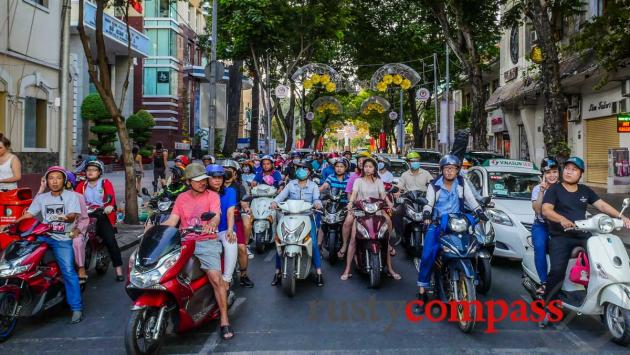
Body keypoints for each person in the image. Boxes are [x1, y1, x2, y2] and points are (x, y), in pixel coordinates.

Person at [540, 157, 630, 326]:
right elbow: (546, 210)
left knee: (603, 259)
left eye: (574, 169)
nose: (568, 171)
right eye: (567, 168)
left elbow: (602, 205)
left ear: (580, 174)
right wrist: (562, 219)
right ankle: (548, 306)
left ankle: (598, 293)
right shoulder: (555, 190)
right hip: (562, 236)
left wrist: (622, 217)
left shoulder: (585, 191)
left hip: (583, 234)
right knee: (557, 271)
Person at [162, 163, 234, 340]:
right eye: (197, 180)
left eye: (204, 179)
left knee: (216, 279)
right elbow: (173, 220)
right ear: (188, 181)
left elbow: (216, 215)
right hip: (184, 243)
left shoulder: (213, 196)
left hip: (207, 242)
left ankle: (224, 320)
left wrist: (211, 224)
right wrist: (155, 229)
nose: (202, 183)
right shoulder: (181, 199)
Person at [7, 166, 83, 323]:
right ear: (47, 181)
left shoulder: (72, 196)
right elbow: (29, 213)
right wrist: (13, 223)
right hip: (43, 236)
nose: (55, 181)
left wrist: (64, 218)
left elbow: (72, 215)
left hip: (62, 238)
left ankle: (76, 308)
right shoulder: (42, 198)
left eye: (58, 178)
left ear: (64, 180)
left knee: (68, 271)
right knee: (23, 259)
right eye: (51, 178)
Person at [415, 155, 486, 310]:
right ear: (442, 170)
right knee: (428, 255)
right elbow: (429, 204)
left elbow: (471, 201)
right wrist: (427, 215)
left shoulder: (461, 183)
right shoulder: (434, 185)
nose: (449, 171)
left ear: (457, 171)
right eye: (446, 168)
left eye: (452, 168)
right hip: (438, 224)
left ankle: (471, 280)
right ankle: (421, 294)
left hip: (457, 223)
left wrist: (480, 212)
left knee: (474, 247)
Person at [341, 158, 399, 281]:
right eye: (366, 166)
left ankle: (390, 266)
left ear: (374, 169)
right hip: (360, 210)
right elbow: (354, 194)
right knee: (352, 238)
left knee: (388, 221)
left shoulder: (378, 181)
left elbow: (383, 195)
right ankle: (347, 269)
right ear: (363, 168)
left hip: (376, 209)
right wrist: (350, 203)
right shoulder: (358, 181)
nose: (367, 168)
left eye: (370, 166)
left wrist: (389, 204)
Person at [271, 161, 324, 287]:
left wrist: (317, 204)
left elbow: (316, 198)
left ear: (310, 172)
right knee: (280, 242)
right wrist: (274, 202)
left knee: (314, 244)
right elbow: (280, 197)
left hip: (306, 217)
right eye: (300, 168)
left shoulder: (313, 186)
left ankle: (319, 272)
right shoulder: (290, 184)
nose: (302, 171)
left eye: (305, 169)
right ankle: (277, 272)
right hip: (289, 217)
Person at [75, 160, 124, 281]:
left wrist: (109, 206)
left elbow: (110, 198)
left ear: (99, 172)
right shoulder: (81, 185)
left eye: (94, 170)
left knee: (110, 240)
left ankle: (118, 269)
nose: (90, 172)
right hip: (84, 216)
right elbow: (74, 199)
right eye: (88, 170)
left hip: (101, 214)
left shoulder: (105, 183)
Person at [221, 160, 254, 288]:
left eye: (229, 170)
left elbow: (244, 202)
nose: (226, 173)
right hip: (217, 222)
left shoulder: (239, 186)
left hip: (235, 220)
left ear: (235, 173)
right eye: (223, 170)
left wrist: (245, 208)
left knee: (241, 248)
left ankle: (243, 275)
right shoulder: (214, 186)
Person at [530, 157, 560, 296]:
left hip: (559, 227)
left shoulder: (564, 187)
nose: (552, 175)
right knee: (540, 247)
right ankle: (544, 282)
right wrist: (542, 191)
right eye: (548, 173)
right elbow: (537, 209)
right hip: (541, 226)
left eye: (555, 172)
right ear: (543, 174)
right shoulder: (537, 189)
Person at [339, 152, 370, 260]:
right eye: (359, 161)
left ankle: (388, 245)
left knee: (386, 220)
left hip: (372, 207)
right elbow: (349, 193)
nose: (361, 163)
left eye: (364, 161)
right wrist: (351, 205)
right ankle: (344, 245)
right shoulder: (354, 176)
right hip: (357, 207)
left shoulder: (375, 176)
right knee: (348, 222)